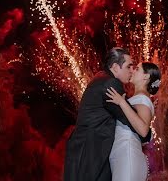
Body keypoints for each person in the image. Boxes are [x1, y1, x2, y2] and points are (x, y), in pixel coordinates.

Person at [63, 47, 151, 181]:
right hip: (90, 151)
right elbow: (125, 115)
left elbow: (123, 108)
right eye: (128, 66)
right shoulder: (111, 83)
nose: (131, 70)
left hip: (86, 149)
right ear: (115, 67)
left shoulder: (101, 78)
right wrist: (147, 134)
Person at [106, 61, 161, 181]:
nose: (132, 71)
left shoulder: (143, 99)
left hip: (128, 153)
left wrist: (121, 102)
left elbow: (143, 130)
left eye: (136, 69)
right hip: (122, 152)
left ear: (146, 77)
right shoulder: (139, 98)